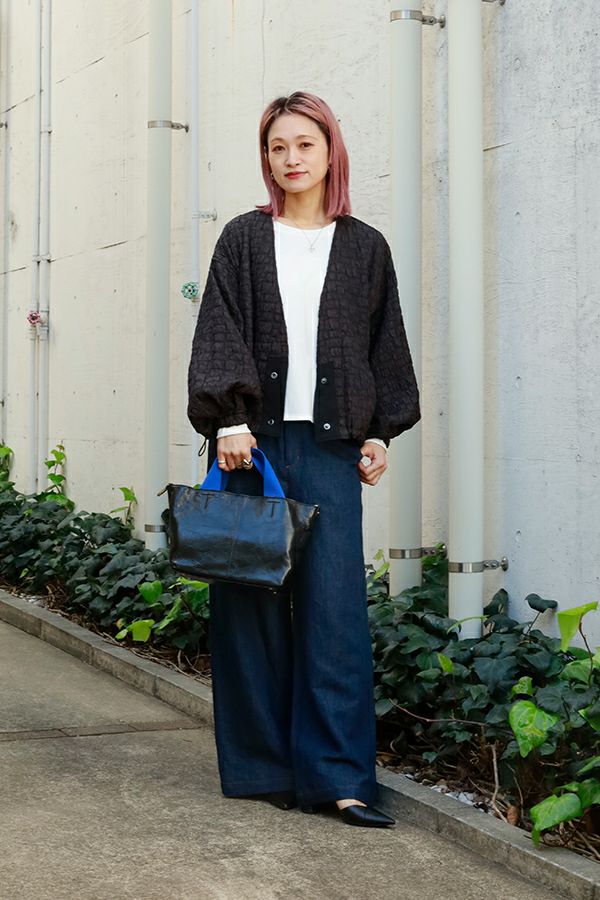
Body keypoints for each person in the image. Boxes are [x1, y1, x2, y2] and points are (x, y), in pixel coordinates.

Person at [187, 91, 420, 828]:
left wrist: (379, 433)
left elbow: (383, 346)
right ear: (266, 157)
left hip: (329, 448)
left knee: (334, 613)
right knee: (249, 604)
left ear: (330, 152)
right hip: (251, 445)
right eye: (278, 147)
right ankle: (265, 770)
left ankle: (340, 779)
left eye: (304, 145)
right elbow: (219, 327)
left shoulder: (365, 247)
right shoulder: (243, 239)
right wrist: (229, 419)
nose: (291, 159)